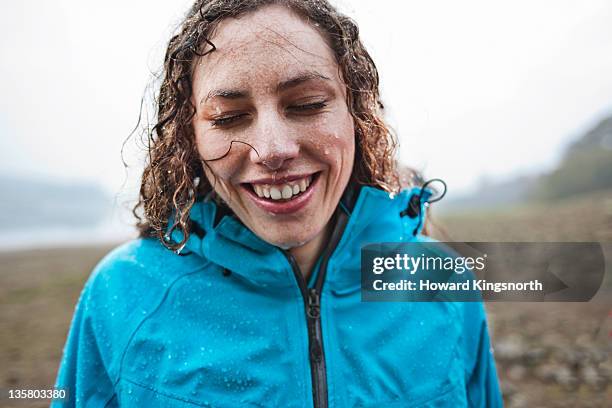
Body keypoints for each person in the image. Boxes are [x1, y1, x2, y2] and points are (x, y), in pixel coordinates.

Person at [53, 0, 502, 406]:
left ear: (356, 113)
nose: (272, 149)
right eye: (229, 117)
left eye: (306, 104)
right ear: (189, 138)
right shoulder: (122, 294)